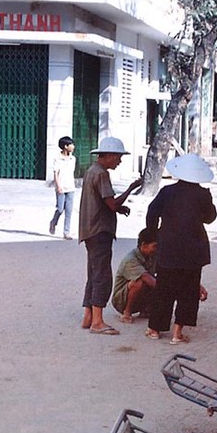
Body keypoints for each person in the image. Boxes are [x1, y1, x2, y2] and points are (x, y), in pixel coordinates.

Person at [145, 153, 217, 344]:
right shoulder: (203, 194)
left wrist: (154, 233)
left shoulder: (167, 192)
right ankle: (177, 333)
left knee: (164, 289)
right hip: (194, 250)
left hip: (168, 247)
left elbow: (152, 212)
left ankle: (154, 329)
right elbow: (210, 218)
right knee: (189, 290)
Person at [79, 137, 143, 336]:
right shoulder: (101, 174)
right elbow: (111, 204)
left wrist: (118, 207)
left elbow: (106, 203)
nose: (119, 161)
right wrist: (131, 189)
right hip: (100, 230)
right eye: (118, 157)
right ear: (110, 155)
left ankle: (88, 316)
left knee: (93, 273)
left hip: (90, 230)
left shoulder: (91, 171)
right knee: (102, 276)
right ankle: (97, 321)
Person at [112, 228, 158, 324]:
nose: (157, 249)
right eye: (154, 246)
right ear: (144, 245)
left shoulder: (152, 256)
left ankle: (146, 309)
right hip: (121, 300)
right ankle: (127, 312)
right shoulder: (130, 260)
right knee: (139, 282)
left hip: (141, 296)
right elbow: (148, 279)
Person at [49, 136, 76, 239]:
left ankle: (66, 232)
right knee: (60, 209)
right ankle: (53, 222)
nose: (73, 146)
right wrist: (58, 186)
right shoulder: (57, 159)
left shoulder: (73, 159)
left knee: (69, 211)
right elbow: (56, 173)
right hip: (61, 187)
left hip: (71, 187)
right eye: (71, 145)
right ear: (65, 146)